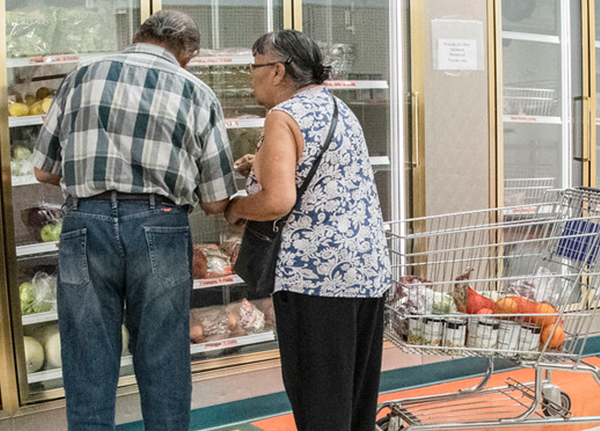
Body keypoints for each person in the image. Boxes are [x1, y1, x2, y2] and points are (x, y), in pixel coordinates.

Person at [32, 10, 237, 431]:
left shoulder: (82, 76)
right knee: (164, 358)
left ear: (137, 36)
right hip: (160, 224)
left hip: (85, 222)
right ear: (187, 54)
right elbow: (217, 200)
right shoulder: (196, 92)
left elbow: (43, 170)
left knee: (88, 359)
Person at [225, 30, 392, 431]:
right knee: (354, 400)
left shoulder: (282, 116)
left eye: (255, 65)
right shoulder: (337, 108)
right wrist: (262, 163)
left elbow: (278, 200)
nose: (251, 75)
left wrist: (235, 208)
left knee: (318, 401)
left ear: (278, 70)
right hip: (366, 271)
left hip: (316, 280)